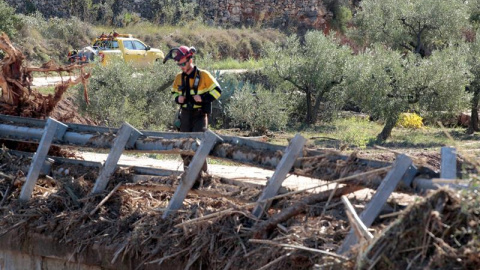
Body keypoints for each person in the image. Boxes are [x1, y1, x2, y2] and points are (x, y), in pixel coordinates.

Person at [164, 46, 222, 180]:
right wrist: (178, 98)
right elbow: (174, 92)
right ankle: (188, 176)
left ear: (190, 59)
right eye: (179, 64)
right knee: (184, 145)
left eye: (183, 63)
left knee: (199, 145)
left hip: (200, 115)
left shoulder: (204, 75)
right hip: (185, 115)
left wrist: (203, 98)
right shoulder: (179, 78)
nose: (182, 67)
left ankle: (204, 177)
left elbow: (217, 91)